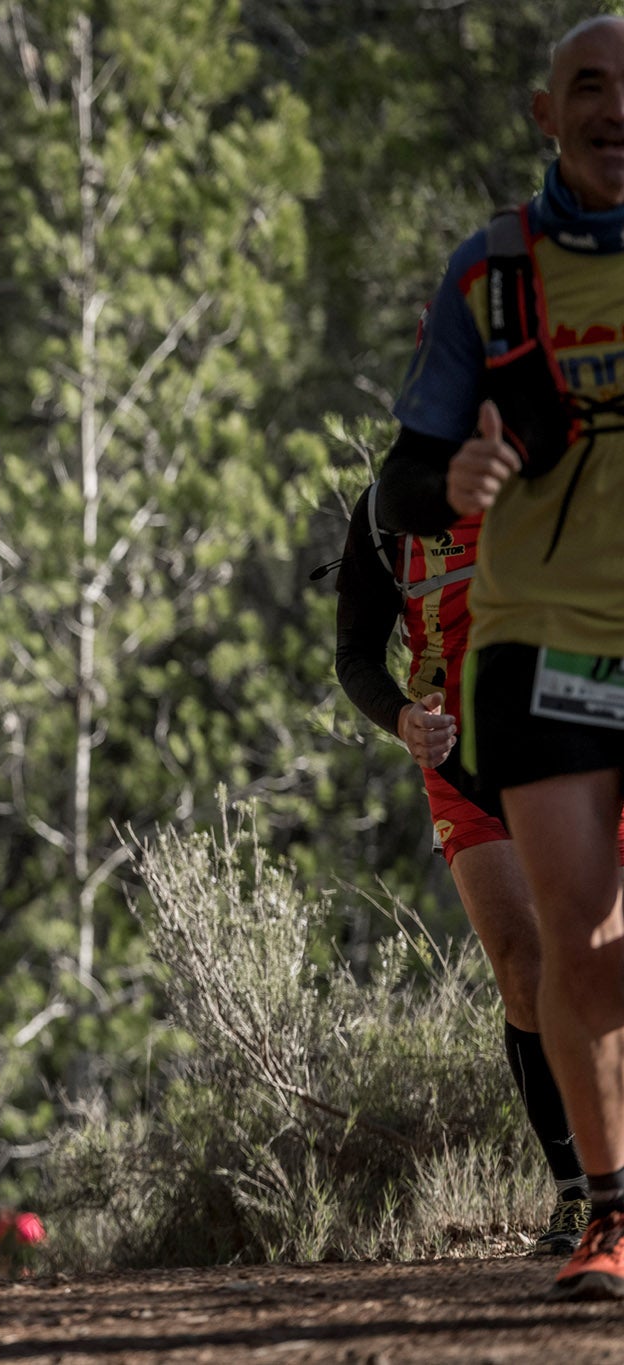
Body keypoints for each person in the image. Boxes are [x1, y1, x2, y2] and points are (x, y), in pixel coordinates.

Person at [378, 15, 624, 1299]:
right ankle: (603, 1211)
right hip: (533, 653)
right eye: (589, 87)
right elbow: (402, 491)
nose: (614, 110)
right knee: (564, 953)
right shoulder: (490, 277)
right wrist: (454, 474)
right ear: (545, 113)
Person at [333, 483, 608, 1254]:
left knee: (600, 959)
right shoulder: (391, 503)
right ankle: (578, 1193)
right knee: (524, 968)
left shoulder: (569, 461)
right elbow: (354, 652)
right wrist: (402, 718)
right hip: (460, 756)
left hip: (584, 735)